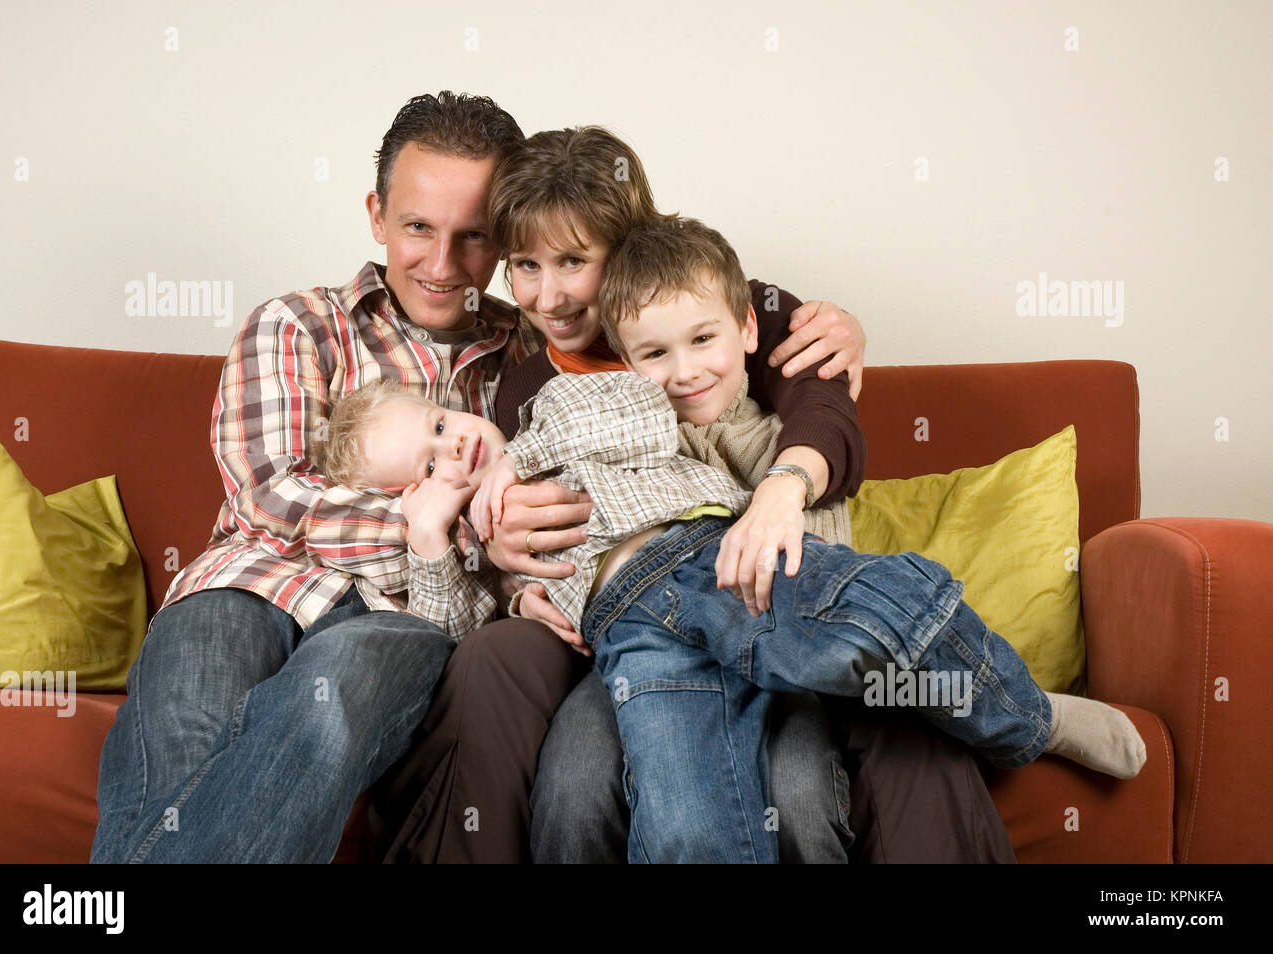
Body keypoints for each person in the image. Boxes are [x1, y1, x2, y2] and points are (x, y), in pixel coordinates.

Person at [89, 92, 856, 863]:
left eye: (474, 239)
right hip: (253, 582)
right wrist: (466, 536)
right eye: (419, 227)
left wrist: (816, 327)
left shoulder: (537, 346)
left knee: (334, 694)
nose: (444, 264)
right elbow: (271, 492)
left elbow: (711, 324)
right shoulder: (299, 324)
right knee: (183, 732)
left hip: (397, 616)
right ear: (376, 214)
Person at [320, 220, 1146, 863]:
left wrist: (519, 459)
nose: (453, 448)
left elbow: (643, 405)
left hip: (703, 563)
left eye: (439, 424)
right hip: (626, 635)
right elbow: (459, 631)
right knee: (688, 826)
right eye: (426, 465)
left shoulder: (553, 408)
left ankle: (1026, 718)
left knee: (881, 619)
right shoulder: (470, 523)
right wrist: (439, 538)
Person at [393, 126, 1017, 865]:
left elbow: (826, 415)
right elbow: (518, 524)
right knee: (576, 779)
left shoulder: (728, 307)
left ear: (625, 249)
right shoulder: (534, 386)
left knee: (816, 773)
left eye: (573, 263)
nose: (548, 295)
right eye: (524, 265)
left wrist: (782, 489)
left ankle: (1007, 710)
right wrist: (513, 573)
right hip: (639, 631)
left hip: (773, 593)